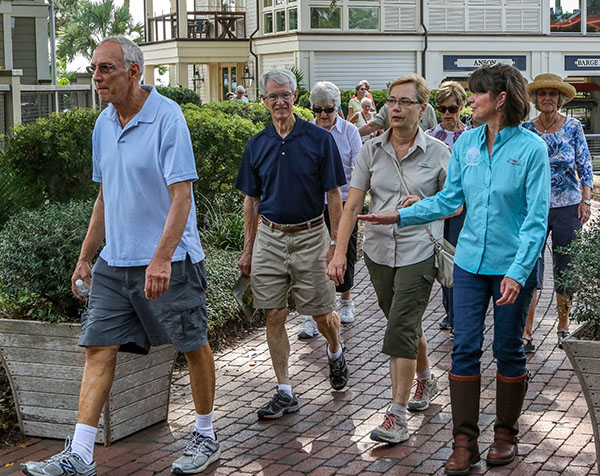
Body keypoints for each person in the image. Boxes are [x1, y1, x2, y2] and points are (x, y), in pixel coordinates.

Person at [22, 36, 220, 476]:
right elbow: (104, 199)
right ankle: (81, 453)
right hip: (116, 263)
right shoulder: (103, 125)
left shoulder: (167, 118)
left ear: (134, 72)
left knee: (192, 344)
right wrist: (86, 257)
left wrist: (162, 258)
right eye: (94, 69)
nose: (96, 77)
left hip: (173, 260)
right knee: (97, 348)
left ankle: (205, 434)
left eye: (106, 68)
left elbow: (182, 196)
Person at [359, 64, 550, 474]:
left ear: (499, 99)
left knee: (507, 349)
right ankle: (464, 442)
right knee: (464, 348)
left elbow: (536, 220)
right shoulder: (466, 145)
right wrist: (398, 217)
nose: (470, 102)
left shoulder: (532, 150)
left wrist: (518, 272)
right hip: (467, 264)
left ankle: (505, 435)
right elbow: (449, 201)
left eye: (478, 94)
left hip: (511, 268)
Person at [328, 74, 449, 444]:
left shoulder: (440, 153)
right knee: (405, 324)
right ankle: (426, 379)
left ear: (422, 109)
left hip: (420, 248)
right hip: (378, 251)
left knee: (399, 329)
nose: (395, 107)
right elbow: (351, 206)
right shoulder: (370, 151)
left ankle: (396, 416)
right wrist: (338, 253)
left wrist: (425, 205)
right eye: (392, 101)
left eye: (404, 102)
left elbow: (457, 201)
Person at [236, 69, 350, 420]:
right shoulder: (257, 144)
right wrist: (249, 247)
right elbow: (251, 201)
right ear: (264, 101)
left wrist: (335, 244)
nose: (280, 102)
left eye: (285, 95)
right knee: (273, 312)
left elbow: (334, 196)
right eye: (273, 96)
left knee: (321, 313)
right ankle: (285, 389)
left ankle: (335, 349)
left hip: (311, 235)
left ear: (295, 97)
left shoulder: (319, 139)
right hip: (270, 235)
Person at [522, 73, 594, 352]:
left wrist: (586, 200)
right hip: (534, 207)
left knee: (567, 266)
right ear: (536, 100)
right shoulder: (527, 129)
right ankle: (527, 332)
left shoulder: (573, 127)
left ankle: (563, 327)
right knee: (529, 266)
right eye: (542, 94)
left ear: (560, 99)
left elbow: (584, 165)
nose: (547, 98)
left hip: (568, 207)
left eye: (552, 94)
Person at [297, 81, 362, 339]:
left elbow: (359, 167)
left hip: (344, 201)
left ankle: (345, 300)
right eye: (318, 109)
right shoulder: (306, 132)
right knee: (312, 257)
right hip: (313, 203)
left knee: (345, 249)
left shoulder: (349, 132)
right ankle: (313, 314)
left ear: (338, 107)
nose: (323, 115)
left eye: (329, 109)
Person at [426, 81, 470, 332]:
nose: (447, 114)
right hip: (439, 207)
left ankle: (460, 314)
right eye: (442, 108)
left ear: (462, 106)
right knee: (443, 258)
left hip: (465, 208)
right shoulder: (431, 136)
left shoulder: (473, 136)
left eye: (452, 108)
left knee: (460, 258)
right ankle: (450, 312)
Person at [358, 100, 437, 136]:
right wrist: (350, 135)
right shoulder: (388, 108)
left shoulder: (427, 108)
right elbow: (372, 126)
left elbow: (434, 133)